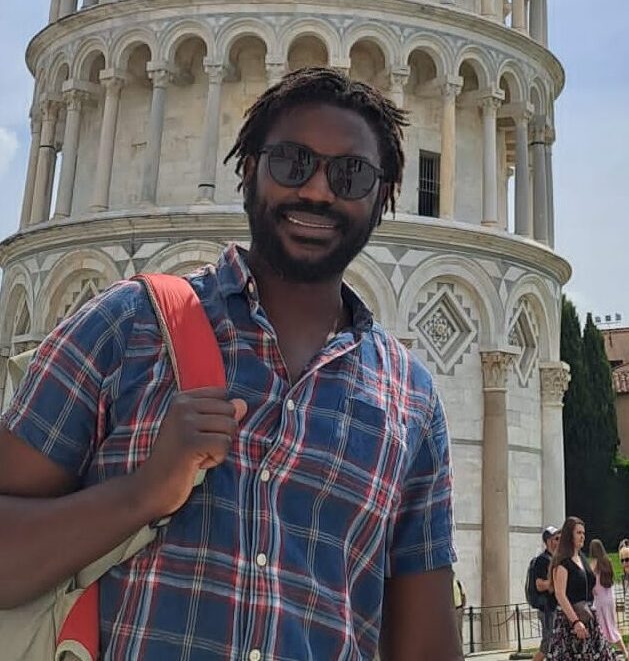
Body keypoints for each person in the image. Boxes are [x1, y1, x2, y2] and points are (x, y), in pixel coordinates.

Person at [0, 68, 462, 660]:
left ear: (384, 196)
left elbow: (425, 645)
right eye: (292, 162)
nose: (318, 191)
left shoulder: (410, 401)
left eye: (350, 174)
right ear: (249, 169)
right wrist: (142, 493)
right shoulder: (129, 325)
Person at [547, 516, 614, 660]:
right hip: (571, 620)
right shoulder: (562, 562)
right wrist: (575, 622)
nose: (582, 536)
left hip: (589, 616)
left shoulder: (582, 558)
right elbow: (560, 594)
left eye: (583, 533)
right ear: (569, 535)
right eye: (578, 533)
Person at [589, 538, 628, 658]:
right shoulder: (608, 561)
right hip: (609, 597)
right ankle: (625, 652)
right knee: (611, 625)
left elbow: (590, 582)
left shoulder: (593, 564)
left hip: (598, 599)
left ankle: (604, 651)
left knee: (600, 626)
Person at [533, 525, 561, 661]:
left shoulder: (557, 559)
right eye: (557, 538)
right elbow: (539, 585)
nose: (560, 541)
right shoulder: (542, 560)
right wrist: (555, 583)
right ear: (549, 541)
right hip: (547, 608)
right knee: (547, 645)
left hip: (556, 606)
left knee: (555, 644)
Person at [452, 573, 467, 646]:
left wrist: (463, 607)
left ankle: (460, 648)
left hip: (458, 608)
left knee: (458, 629)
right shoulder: (446, 585)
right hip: (451, 610)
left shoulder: (459, 583)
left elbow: (463, 595)